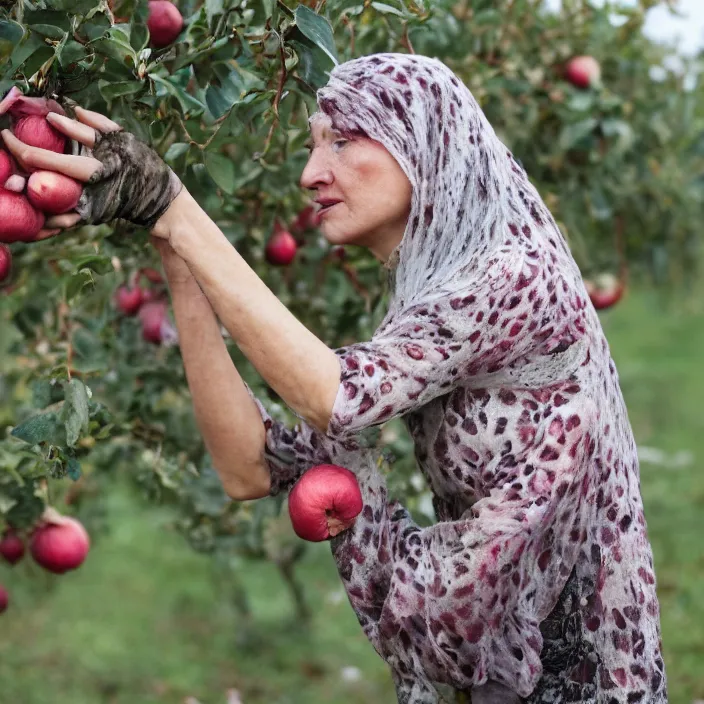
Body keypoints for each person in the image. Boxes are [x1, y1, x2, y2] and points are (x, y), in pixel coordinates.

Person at [1, 52, 667, 703]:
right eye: (315, 145)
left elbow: (337, 397)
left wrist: (172, 205)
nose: (311, 173)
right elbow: (246, 467)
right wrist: (174, 251)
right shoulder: (425, 310)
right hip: (508, 664)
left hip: (585, 670)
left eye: (344, 142)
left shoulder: (512, 276)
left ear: (424, 146)